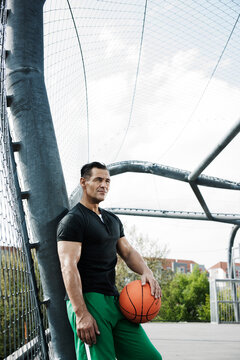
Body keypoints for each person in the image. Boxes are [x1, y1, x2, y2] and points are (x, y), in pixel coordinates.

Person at [57, 161, 162, 360]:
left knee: (149, 357)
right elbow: (68, 266)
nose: (104, 185)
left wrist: (146, 271)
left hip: (115, 301)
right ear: (83, 182)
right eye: (98, 179)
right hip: (88, 300)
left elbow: (128, 252)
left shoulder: (112, 219)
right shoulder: (73, 220)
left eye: (107, 181)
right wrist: (81, 313)